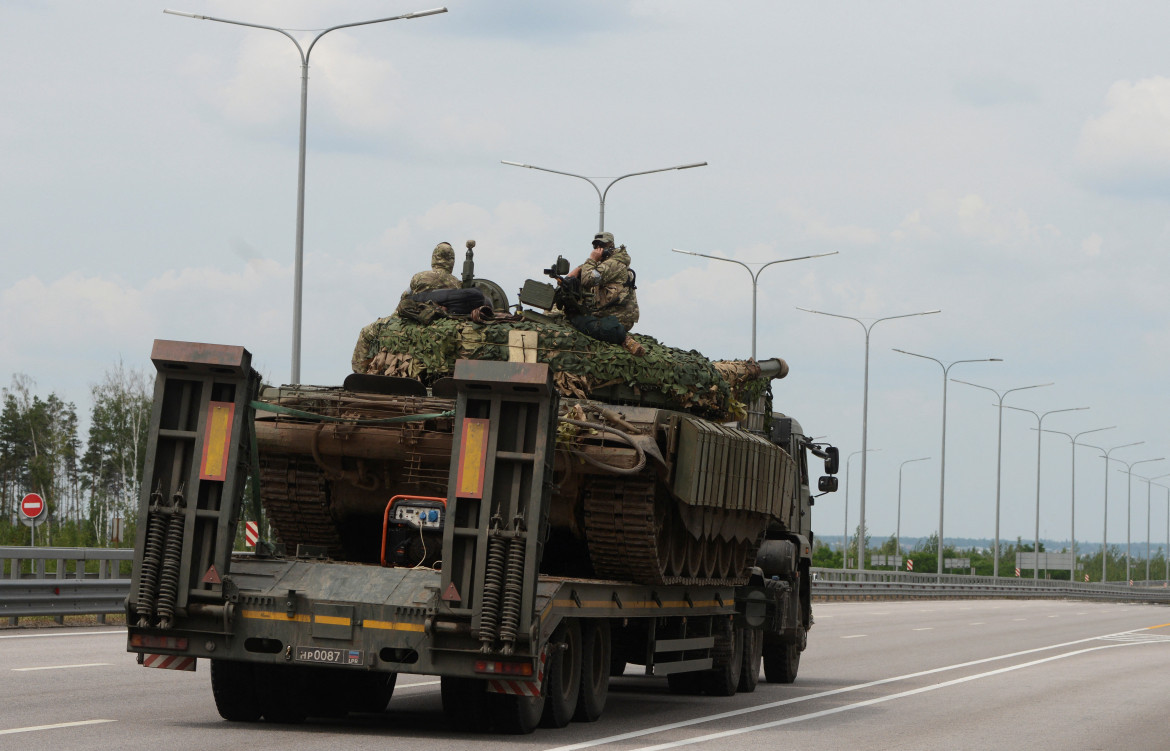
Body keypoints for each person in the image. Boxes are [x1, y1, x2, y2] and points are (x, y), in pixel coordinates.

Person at [566, 231, 640, 331]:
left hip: (618, 318)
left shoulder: (615, 263)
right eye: (596, 245)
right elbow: (570, 278)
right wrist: (580, 269)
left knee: (577, 322)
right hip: (606, 315)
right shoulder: (603, 263)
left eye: (602, 245)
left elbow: (587, 279)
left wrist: (592, 259)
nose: (598, 248)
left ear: (611, 245)